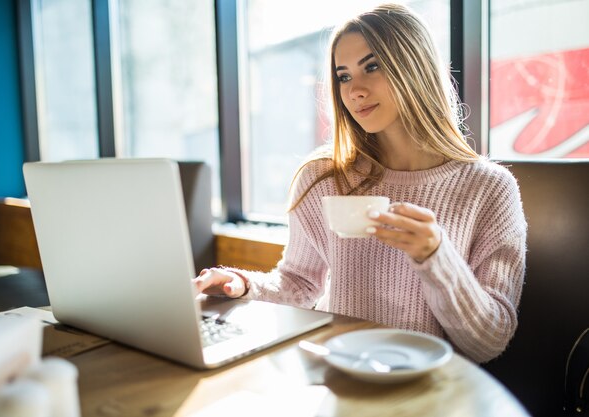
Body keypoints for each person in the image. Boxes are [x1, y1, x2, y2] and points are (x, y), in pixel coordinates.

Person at [193, 3, 527, 363]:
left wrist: (436, 257)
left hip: (429, 386)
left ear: (415, 67)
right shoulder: (323, 177)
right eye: (344, 75)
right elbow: (300, 285)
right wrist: (243, 286)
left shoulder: (489, 189)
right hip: (335, 371)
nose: (355, 90)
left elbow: (490, 341)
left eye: (372, 66)